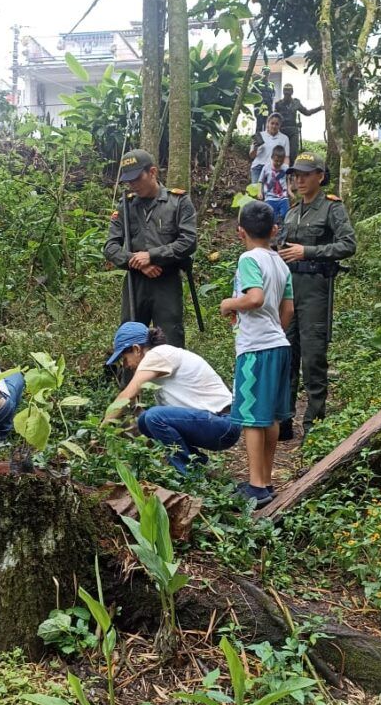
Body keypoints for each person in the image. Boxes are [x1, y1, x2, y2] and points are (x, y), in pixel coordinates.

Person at [220, 202, 294, 508]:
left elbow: (255, 298)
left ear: (241, 232)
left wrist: (229, 304)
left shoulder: (249, 258)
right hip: (279, 344)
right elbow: (287, 309)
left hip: (256, 349)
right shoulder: (280, 262)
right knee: (272, 416)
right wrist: (275, 328)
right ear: (274, 231)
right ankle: (265, 479)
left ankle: (255, 485)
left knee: (251, 417)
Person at [278, 152, 356, 439]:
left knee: (313, 358)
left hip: (315, 289)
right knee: (287, 355)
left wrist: (307, 251)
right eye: (295, 175)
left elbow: (348, 244)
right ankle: (285, 421)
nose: (298, 180)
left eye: (305, 174)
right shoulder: (291, 211)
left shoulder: (331, 208)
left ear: (320, 176)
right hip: (290, 290)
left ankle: (314, 426)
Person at [101, 322, 241, 475]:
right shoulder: (161, 361)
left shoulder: (157, 354)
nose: (125, 365)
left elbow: (127, 395)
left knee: (154, 416)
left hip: (224, 423)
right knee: (145, 420)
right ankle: (201, 466)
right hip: (217, 424)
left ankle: (190, 476)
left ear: (136, 349)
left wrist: (100, 432)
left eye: (125, 358)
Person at [104, 150, 197, 348]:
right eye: (128, 181)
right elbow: (111, 247)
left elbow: (188, 241)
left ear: (152, 172)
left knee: (170, 341)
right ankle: (132, 380)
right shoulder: (125, 206)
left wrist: (152, 256)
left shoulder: (178, 202)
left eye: (137, 178)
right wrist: (137, 262)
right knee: (130, 343)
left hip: (166, 281)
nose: (132, 185)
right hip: (135, 282)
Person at [274, 84, 324, 166]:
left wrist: (319, 108)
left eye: (289, 92)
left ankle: (293, 173)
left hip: (293, 130)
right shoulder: (278, 104)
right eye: (285, 92)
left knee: (293, 154)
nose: (287, 94)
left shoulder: (296, 103)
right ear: (283, 92)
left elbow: (307, 112)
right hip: (282, 131)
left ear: (292, 92)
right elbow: (274, 118)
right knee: (281, 154)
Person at [249, 114, 290, 185]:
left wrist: (286, 170)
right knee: (256, 192)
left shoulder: (284, 138)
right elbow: (252, 156)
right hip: (258, 167)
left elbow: (286, 157)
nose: (274, 126)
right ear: (267, 123)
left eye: (277, 124)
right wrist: (255, 148)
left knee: (271, 193)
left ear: (280, 125)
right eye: (272, 123)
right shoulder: (259, 136)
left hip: (275, 168)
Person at [258, 145, 289, 222]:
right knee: (271, 216)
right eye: (276, 161)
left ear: (284, 159)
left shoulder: (286, 168)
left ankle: (282, 227)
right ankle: (275, 229)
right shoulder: (266, 168)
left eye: (281, 161)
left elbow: (289, 179)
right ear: (272, 157)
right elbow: (260, 181)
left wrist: (290, 190)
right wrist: (259, 192)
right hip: (270, 197)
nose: (278, 163)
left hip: (283, 197)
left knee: (286, 213)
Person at [254, 66, 276, 131]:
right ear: (262, 73)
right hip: (259, 108)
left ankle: (267, 141)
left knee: (268, 126)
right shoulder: (256, 83)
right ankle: (258, 141)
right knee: (259, 126)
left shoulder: (271, 84)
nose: (266, 74)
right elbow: (252, 94)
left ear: (269, 74)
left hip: (268, 108)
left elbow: (273, 95)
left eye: (267, 73)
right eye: (265, 72)